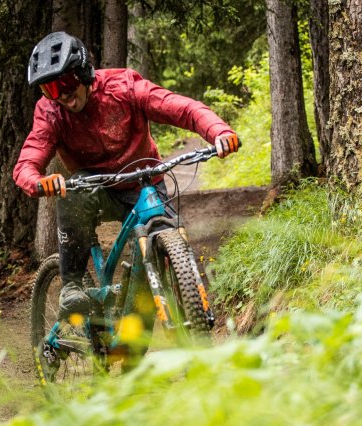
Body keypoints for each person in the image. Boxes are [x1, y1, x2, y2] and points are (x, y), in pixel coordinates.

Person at [14, 31, 240, 317]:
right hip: (98, 190)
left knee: (154, 260)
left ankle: (139, 347)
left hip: (144, 181)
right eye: (50, 90)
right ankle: (71, 286)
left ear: (83, 71)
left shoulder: (123, 86)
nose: (64, 98)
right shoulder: (50, 112)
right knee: (73, 189)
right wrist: (37, 182)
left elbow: (182, 108)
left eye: (67, 84)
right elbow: (26, 164)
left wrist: (218, 131)